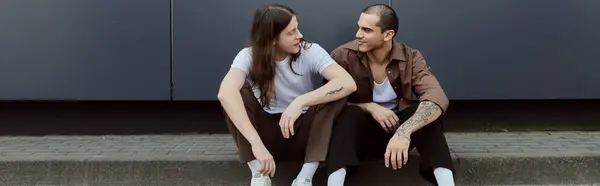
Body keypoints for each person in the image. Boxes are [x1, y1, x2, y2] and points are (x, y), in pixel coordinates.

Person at [217, 4, 357, 186]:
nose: (299, 35)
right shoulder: (248, 56)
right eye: (291, 32)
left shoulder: (309, 51)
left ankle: (305, 178)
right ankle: (260, 176)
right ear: (272, 39)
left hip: (305, 134)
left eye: (297, 28)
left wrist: (300, 101)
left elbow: (348, 83)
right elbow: (225, 93)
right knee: (237, 96)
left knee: (335, 94)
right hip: (267, 135)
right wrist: (256, 144)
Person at [324, 4, 455, 186]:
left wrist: (404, 131)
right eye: (359, 27)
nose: (358, 34)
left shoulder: (410, 57)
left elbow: (436, 98)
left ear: (388, 35)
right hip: (357, 138)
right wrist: (369, 107)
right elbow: (328, 103)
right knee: (350, 115)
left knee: (422, 113)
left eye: (367, 30)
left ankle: (447, 184)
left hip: (398, 136)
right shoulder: (343, 56)